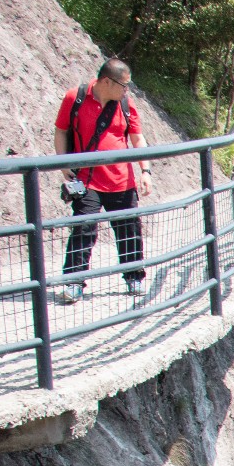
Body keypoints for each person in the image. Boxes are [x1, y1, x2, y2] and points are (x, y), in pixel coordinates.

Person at [53, 58, 151, 302]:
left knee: (129, 230)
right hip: (87, 179)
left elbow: (138, 139)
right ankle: (73, 282)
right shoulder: (74, 98)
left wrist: (145, 170)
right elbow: (61, 131)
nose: (127, 90)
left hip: (121, 180)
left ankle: (134, 277)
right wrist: (64, 164)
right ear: (107, 81)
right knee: (83, 229)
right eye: (124, 85)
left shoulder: (126, 104)